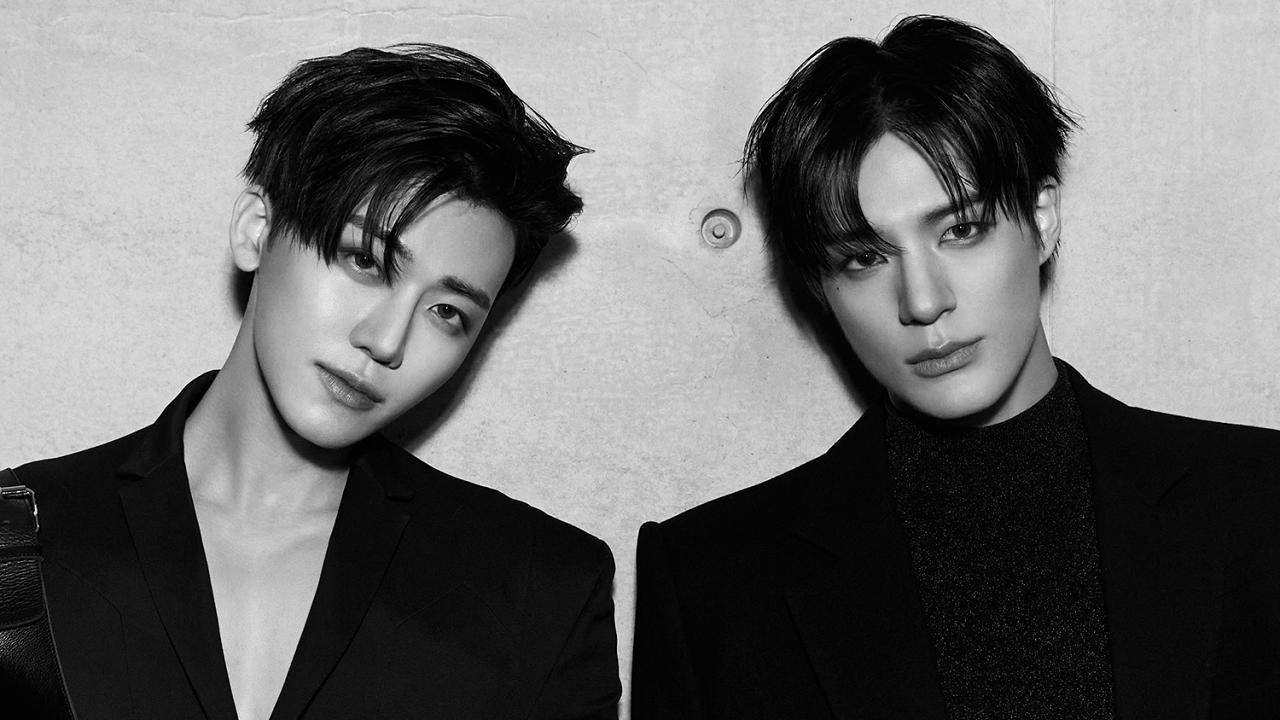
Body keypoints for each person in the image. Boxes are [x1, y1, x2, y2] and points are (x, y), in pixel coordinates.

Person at [632, 15, 1280, 719]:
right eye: (864, 257)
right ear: (819, 287)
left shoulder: (1259, 502)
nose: (923, 300)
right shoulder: (713, 582)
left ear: (1042, 219)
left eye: (961, 229)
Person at [13, 44, 620, 719]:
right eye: (365, 260)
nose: (386, 341)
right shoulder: (22, 540)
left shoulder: (541, 591)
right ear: (257, 231)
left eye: (447, 312)